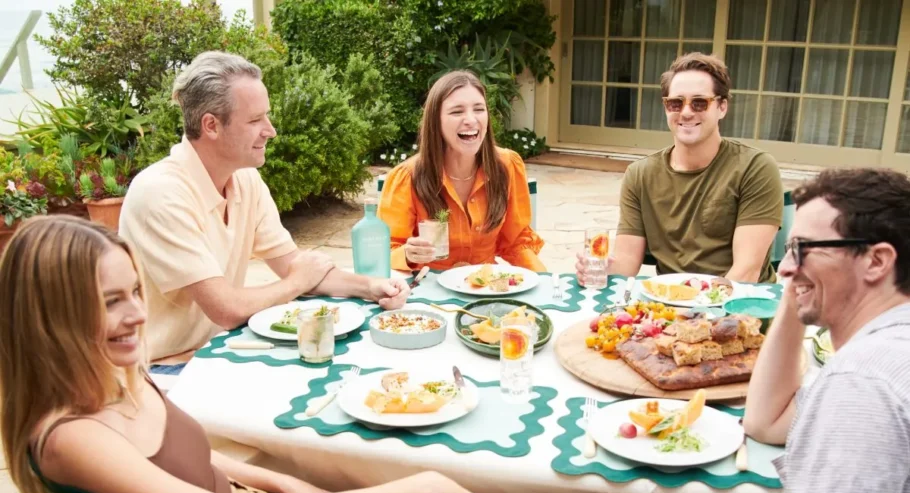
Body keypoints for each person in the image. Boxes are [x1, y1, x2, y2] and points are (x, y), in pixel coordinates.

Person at [0, 215, 487, 493]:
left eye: (134, 291)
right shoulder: (72, 439)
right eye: (110, 302)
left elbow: (192, 459)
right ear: (50, 317)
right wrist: (422, 488)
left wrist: (286, 482)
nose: (138, 314)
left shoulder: (117, 377)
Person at [120, 51, 410, 362]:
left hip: (216, 352)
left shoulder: (245, 179)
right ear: (211, 125)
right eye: (255, 120)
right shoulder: (161, 193)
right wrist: (296, 282)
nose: (270, 130)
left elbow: (294, 265)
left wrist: (372, 287)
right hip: (159, 368)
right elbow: (227, 308)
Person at [743, 168, 910, 493]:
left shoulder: (860, 383)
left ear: (876, 261)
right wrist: (801, 287)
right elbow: (765, 422)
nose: (784, 268)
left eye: (802, 247)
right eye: (788, 248)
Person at [576, 53, 783, 284]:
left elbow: (746, 272)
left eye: (699, 102)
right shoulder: (640, 175)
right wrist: (603, 269)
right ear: (666, 108)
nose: (686, 112)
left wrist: (698, 304)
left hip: (740, 300)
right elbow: (627, 262)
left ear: (722, 107)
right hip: (671, 298)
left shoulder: (755, 168)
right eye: (676, 103)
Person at [378, 70, 546, 272]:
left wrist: (544, 280)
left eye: (479, 109)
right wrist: (407, 254)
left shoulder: (507, 165)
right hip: (426, 284)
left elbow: (516, 242)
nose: (471, 120)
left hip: (485, 284)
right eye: (457, 112)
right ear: (435, 120)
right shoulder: (407, 177)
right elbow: (384, 251)